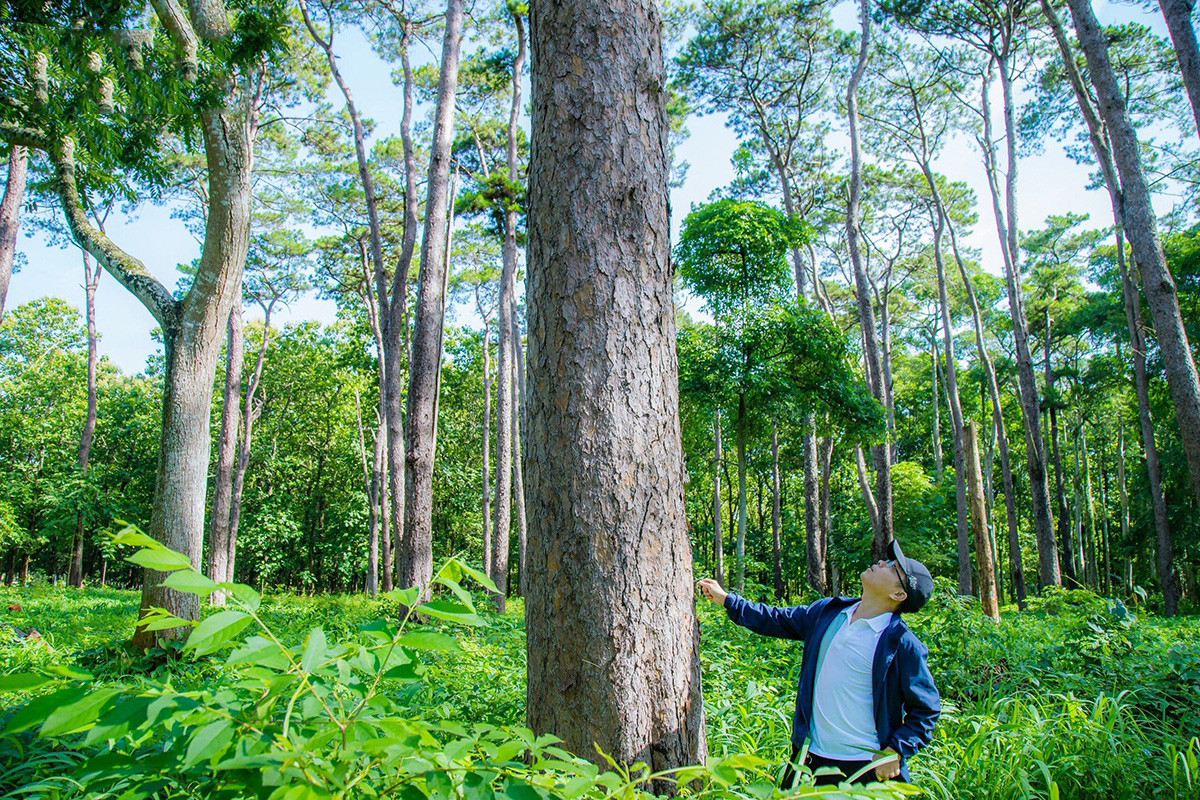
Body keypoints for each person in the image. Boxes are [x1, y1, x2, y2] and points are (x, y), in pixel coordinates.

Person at [696, 539, 940, 788]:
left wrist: (896, 751)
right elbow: (777, 619)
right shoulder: (829, 612)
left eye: (891, 567)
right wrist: (728, 600)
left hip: (865, 769)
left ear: (898, 594)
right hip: (810, 762)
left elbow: (926, 709)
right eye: (887, 561)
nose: (881, 562)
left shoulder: (902, 643)